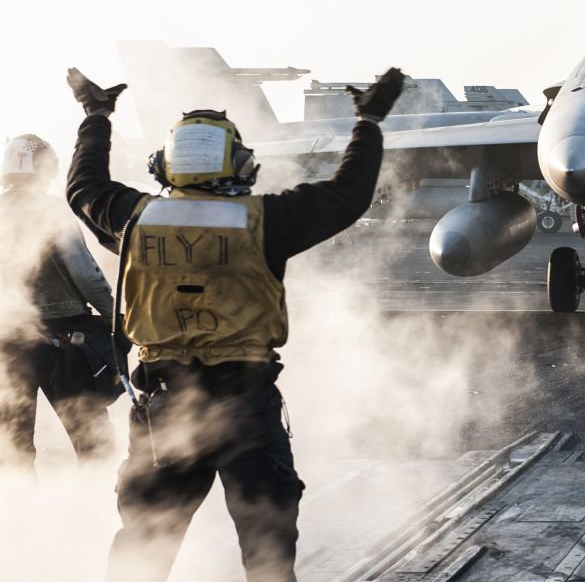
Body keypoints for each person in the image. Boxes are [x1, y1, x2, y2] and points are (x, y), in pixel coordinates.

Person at [64, 66, 404, 581]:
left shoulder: (134, 218)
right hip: (246, 406)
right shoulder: (267, 220)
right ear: (241, 164)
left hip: (166, 407)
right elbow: (348, 194)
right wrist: (369, 121)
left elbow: (83, 185)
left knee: (143, 551)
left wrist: (96, 117)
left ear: (164, 166)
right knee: (267, 555)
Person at [1, 134, 121, 470]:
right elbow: (86, 274)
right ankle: (96, 512)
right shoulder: (52, 210)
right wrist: (116, 317)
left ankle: (21, 516)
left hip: (8, 339)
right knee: (92, 440)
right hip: (65, 339)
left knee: (13, 446)